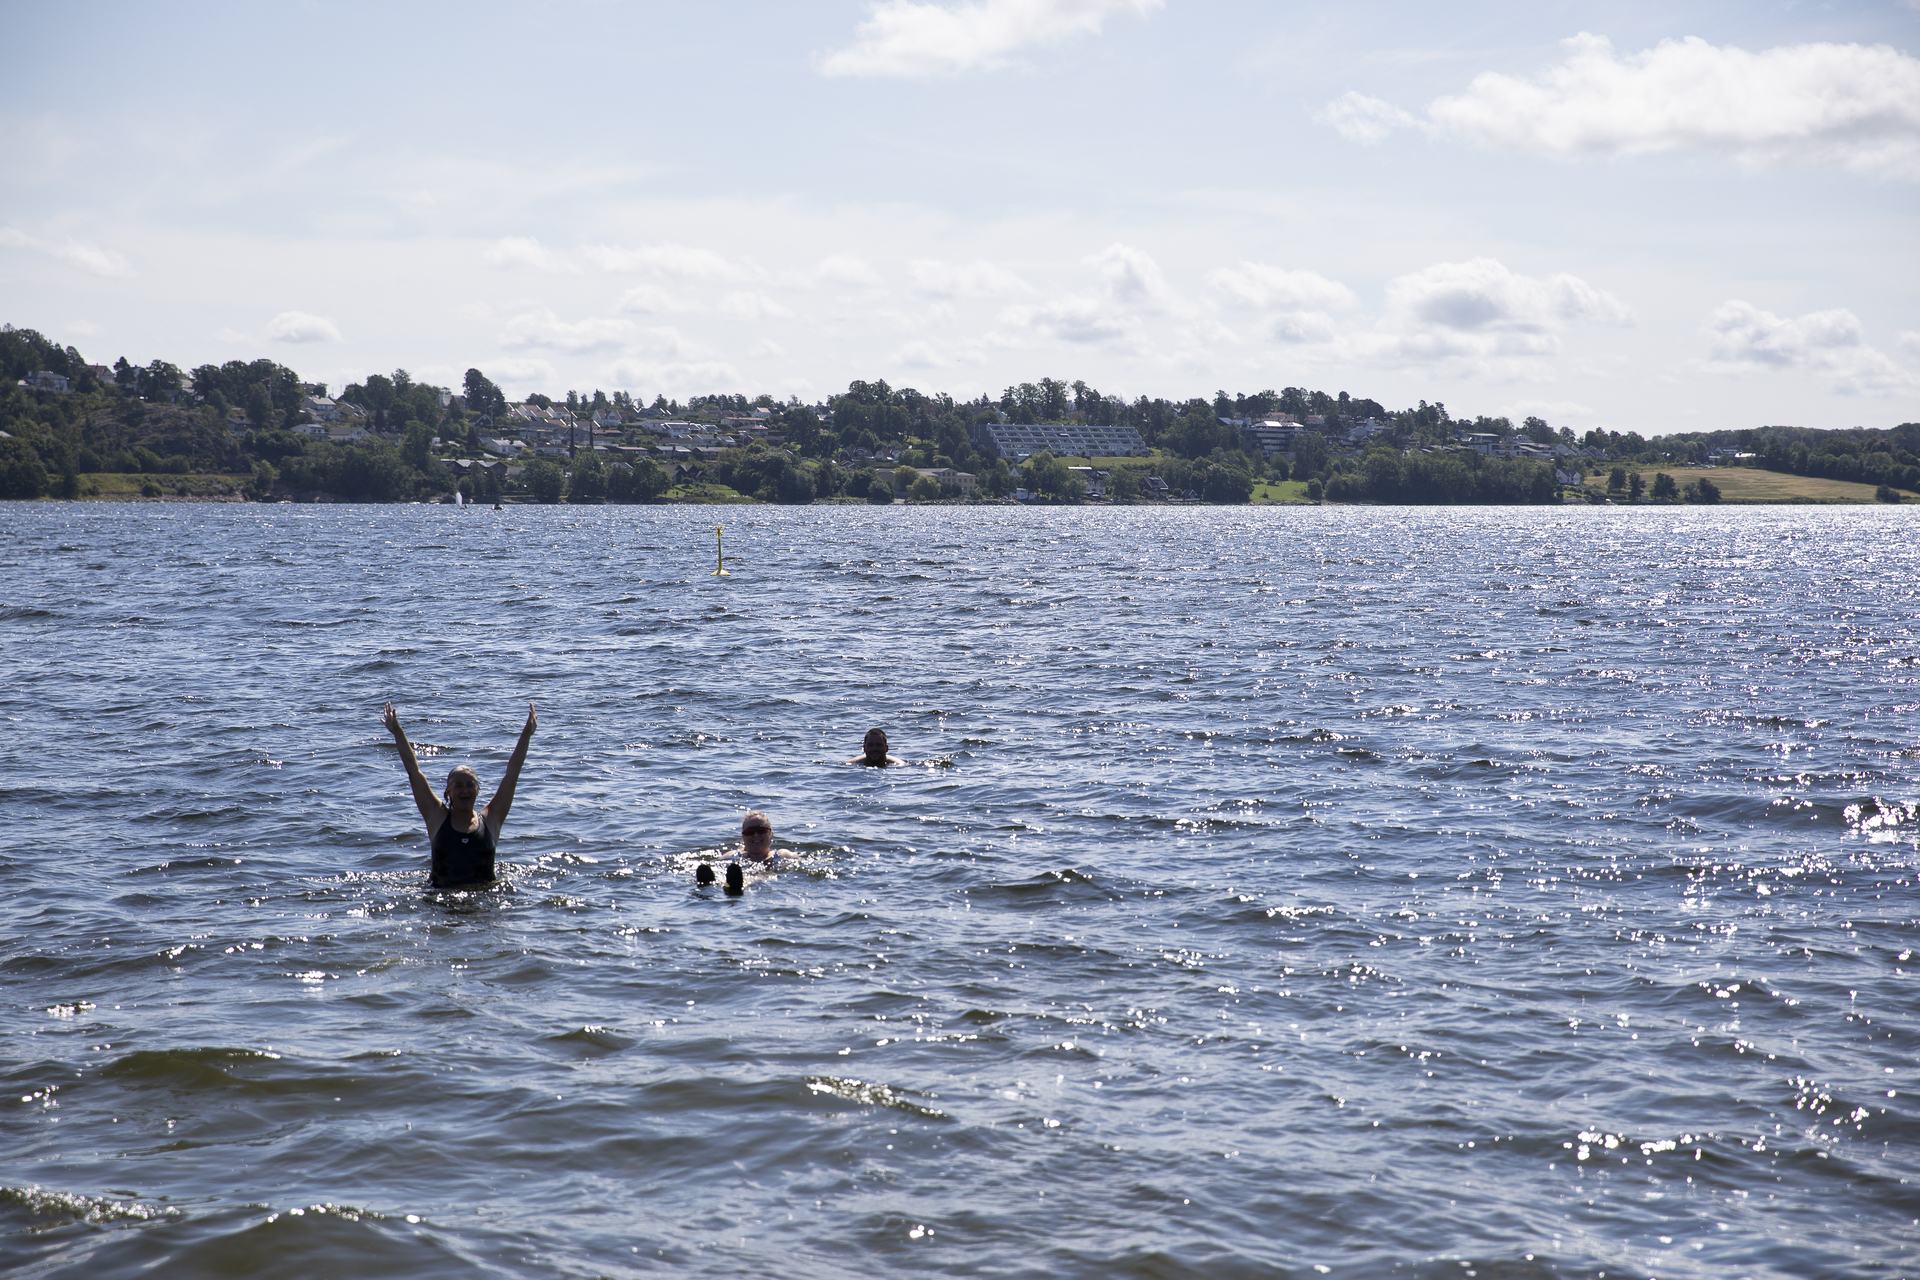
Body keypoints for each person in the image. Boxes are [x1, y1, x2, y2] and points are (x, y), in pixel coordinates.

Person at [382, 701, 536, 888]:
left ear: (478, 790)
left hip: (483, 902)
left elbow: (512, 774)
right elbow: (414, 772)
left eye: (470, 785)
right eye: (459, 786)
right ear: (448, 792)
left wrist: (527, 734)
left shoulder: (491, 819)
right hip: (442, 901)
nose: (465, 791)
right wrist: (397, 731)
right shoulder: (436, 816)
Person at [696, 811, 778, 894]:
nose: (756, 835)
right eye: (749, 832)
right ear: (744, 837)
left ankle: (733, 886)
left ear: (771, 834)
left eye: (761, 830)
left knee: (764, 876)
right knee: (723, 873)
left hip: (759, 880)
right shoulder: (733, 855)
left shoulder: (780, 855)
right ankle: (713, 883)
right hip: (737, 878)